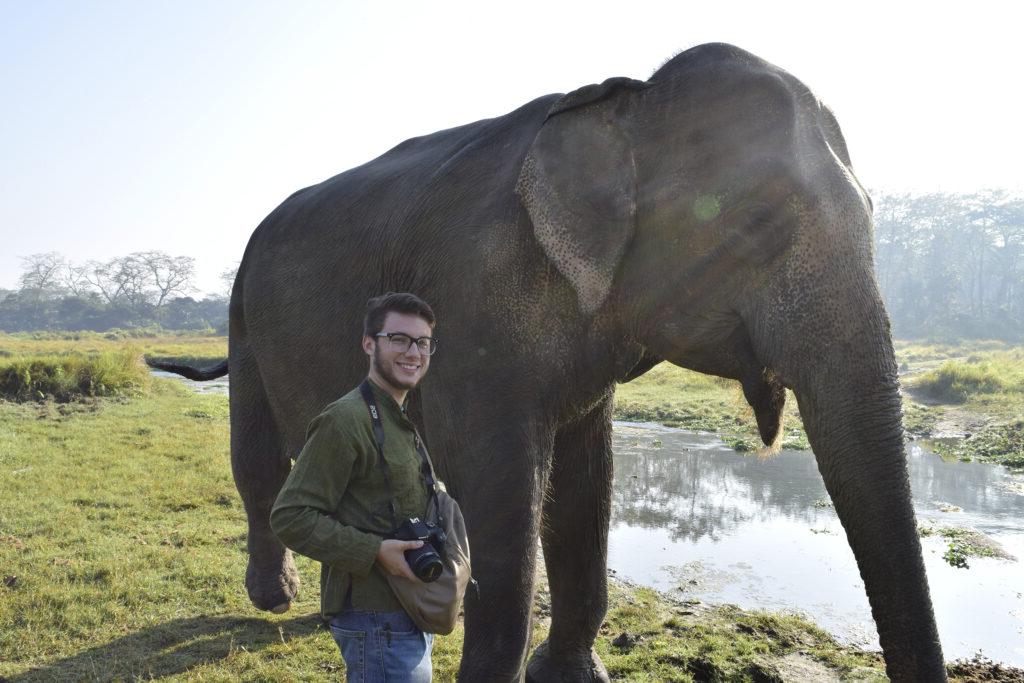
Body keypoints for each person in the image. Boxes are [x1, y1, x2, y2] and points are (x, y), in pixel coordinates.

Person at [270, 292, 440, 682]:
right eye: (398, 339)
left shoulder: (396, 416)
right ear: (369, 343)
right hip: (375, 619)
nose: (413, 352)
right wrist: (375, 551)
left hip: (407, 608)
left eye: (423, 342)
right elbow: (290, 517)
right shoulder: (345, 421)